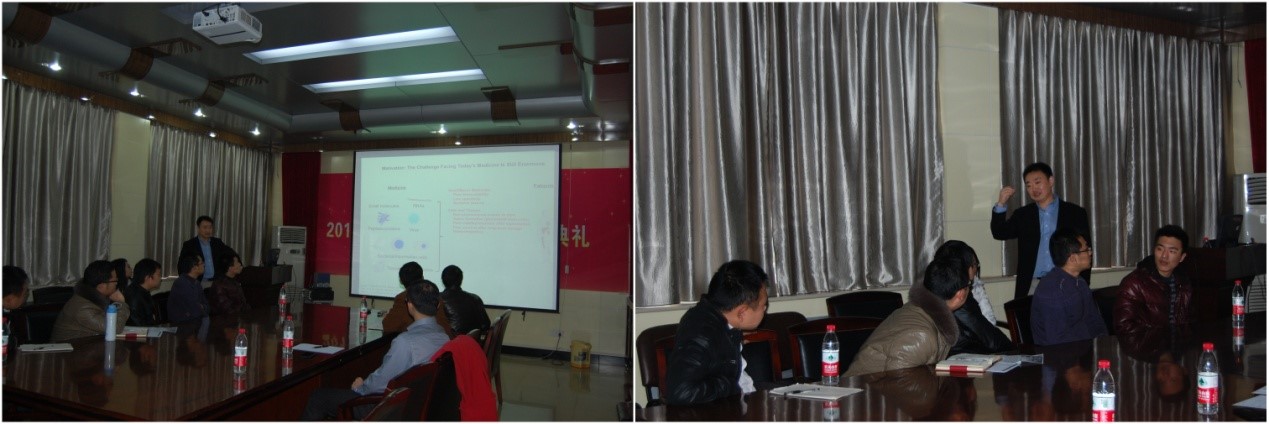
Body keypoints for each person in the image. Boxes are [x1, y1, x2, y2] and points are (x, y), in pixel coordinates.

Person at [301, 280, 449, 420]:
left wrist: (360, 388)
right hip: (418, 403)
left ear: (410, 305)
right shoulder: (444, 337)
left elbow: (380, 383)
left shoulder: (405, 342)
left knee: (318, 398)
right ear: (438, 305)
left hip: (389, 407)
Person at [664, 260, 769, 406]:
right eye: (763, 305)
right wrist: (730, 385)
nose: (765, 309)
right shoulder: (701, 332)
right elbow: (681, 392)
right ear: (742, 313)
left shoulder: (724, 321)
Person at [845, 257, 968, 377]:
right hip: (860, 390)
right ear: (960, 294)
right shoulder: (921, 336)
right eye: (969, 285)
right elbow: (899, 385)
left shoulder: (920, 308)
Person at [990, 162, 1091, 299]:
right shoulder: (1023, 215)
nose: (1033, 189)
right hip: (1033, 284)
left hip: (1067, 282)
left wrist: (1083, 284)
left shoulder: (1074, 212)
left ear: (1051, 181)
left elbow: (1086, 250)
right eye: (1028, 185)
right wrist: (1001, 204)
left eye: (1037, 182)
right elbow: (999, 232)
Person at [1030, 228, 1107, 346]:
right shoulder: (1051, 290)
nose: (1090, 253)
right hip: (1059, 354)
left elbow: (1094, 321)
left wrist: (1103, 344)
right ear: (1072, 258)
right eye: (1086, 249)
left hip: (1084, 349)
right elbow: (1057, 341)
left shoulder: (1080, 282)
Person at [935, 241, 1014, 355]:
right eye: (974, 264)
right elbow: (990, 339)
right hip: (966, 358)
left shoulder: (934, 288)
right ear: (965, 268)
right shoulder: (959, 297)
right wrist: (1015, 351)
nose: (976, 269)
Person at [1113, 225, 1193, 336]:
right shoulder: (1133, 284)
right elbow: (1124, 329)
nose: (1164, 256)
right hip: (1146, 346)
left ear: (1182, 257)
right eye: (1160, 249)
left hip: (1177, 344)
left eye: (1172, 251)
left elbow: (1190, 323)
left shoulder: (1183, 282)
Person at [51, 261, 131, 341]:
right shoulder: (84, 308)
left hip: (88, 344)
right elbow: (113, 328)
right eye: (115, 281)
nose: (116, 284)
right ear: (101, 286)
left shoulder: (94, 298)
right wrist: (121, 303)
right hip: (71, 348)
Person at [439, 265, 492, 336]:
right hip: (473, 341)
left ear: (442, 280)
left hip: (450, 341)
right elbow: (486, 325)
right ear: (461, 279)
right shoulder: (475, 298)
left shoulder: (437, 300)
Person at [178, 215, 232, 282]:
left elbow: (230, 254)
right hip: (198, 282)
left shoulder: (218, 243)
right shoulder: (189, 245)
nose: (208, 230)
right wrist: (187, 282)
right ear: (198, 228)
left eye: (210, 227)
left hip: (216, 281)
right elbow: (181, 266)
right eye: (205, 227)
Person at [382, 262, 424, 333]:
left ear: (401, 281)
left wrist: (386, 317)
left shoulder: (403, 298)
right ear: (422, 277)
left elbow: (388, 326)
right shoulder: (436, 295)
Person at [168, 255, 209, 324]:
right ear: (194, 267)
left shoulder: (197, 283)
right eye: (202, 263)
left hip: (194, 322)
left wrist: (202, 307)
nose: (204, 265)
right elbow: (194, 310)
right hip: (181, 324)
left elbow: (207, 307)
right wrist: (201, 307)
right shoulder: (181, 283)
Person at [208, 250, 249, 316]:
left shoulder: (235, 282)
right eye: (237, 262)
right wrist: (242, 310)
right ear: (230, 268)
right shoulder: (219, 285)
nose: (240, 264)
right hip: (224, 320)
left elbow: (244, 303)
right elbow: (226, 309)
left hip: (237, 317)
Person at [123, 259, 163, 326]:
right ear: (148, 277)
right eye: (159, 275)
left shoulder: (143, 291)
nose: (160, 278)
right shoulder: (134, 297)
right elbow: (139, 327)